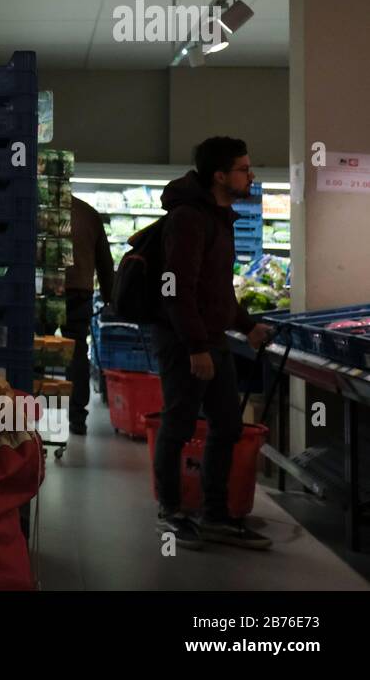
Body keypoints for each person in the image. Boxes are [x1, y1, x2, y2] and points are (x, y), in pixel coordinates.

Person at [153, 136, 272, 550]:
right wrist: (195, 347)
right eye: (244, 168)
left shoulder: (221, 217)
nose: (251, 175)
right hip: (185, 340)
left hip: (212, 338)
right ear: (220, 175)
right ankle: (170, 513)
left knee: (227, 424)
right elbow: (175, 288)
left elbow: (218, 289)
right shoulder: (189, 218)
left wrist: (247, 324)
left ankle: (216, 513)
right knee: (179, 423)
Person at [64, 195, 114, 434]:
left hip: (38, 292)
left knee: (35, 350)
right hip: (78, 292)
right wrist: (109, 296)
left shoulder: (34, 205)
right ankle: (77, 418)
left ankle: (27, 413)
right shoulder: (88, 213)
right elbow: (105, 262)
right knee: (76, 354)